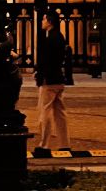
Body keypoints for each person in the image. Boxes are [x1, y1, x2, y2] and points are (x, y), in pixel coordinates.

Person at [35, 9, 71, 150]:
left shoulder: (49, 39)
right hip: (58, 79)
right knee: (60, 112)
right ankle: (64, 143)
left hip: (48, 80)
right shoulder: (60, 37)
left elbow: (45, 61)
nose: (42, 22)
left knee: (45, 111)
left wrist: (40, 76)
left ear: (49, 22)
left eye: (44, 19)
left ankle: (44, 144)